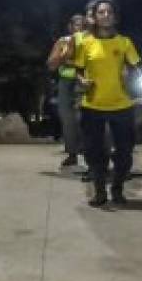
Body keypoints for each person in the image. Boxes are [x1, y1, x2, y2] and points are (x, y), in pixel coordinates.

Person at [75, 0, 140, 207]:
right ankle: (100, 191)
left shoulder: (124, 42)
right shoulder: (85, 43)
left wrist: (133, 75)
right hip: (92, 105)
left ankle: (118, 189)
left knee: (124, 152)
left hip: (122, 105)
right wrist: (81, 80)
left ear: (115, 16)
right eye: (101, 12)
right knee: (94, 152)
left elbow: (135, 67)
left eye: (109, 12)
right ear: (93, 17)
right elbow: (77, 70)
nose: (105, 16)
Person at [46, 13, 87, 168]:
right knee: (68, 119)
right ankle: (72, 154)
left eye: (84, 24)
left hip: (85, 83)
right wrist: (65, 55)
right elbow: (51, 64)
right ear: (71, 27)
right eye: (77, 24)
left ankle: (90, 152)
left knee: (85, 119)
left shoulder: (92, 41)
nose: (81, 27)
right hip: (66, 83)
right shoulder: (63, 41)